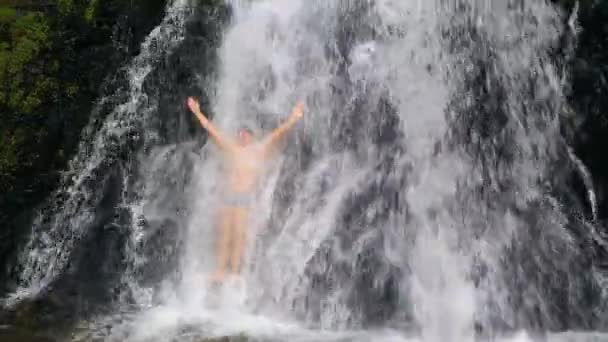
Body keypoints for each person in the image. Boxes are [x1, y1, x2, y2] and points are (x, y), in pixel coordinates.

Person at [186, 97, 305, 284]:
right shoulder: (231, 148)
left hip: (244, 200)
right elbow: (211, 129)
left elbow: (278, 133)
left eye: (246, 133)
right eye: (240, 133)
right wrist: (197, 111)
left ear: (252, 136)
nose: (243, 136)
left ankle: (234, 274)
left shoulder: (259, 150)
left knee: (239, 236)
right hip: (227, 198)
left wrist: (294, 117)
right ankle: (219, 272)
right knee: (224, 235)